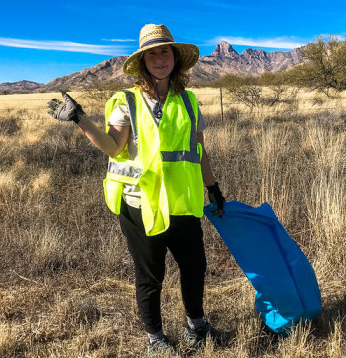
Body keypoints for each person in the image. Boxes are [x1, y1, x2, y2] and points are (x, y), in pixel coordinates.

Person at [47, 24, 228, 355]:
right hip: (139, 203)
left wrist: (213, 189)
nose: (159, 59)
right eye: (152, 53)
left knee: (194, 269)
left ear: (175, 57)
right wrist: (82, 120)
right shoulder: (126, 101)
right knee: (151, 275)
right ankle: (156, 339)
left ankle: (196, 327)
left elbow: (199, 151)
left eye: (165, 51)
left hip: (183, 202)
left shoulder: (188, 102)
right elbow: (114, 147)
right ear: (143, 61)